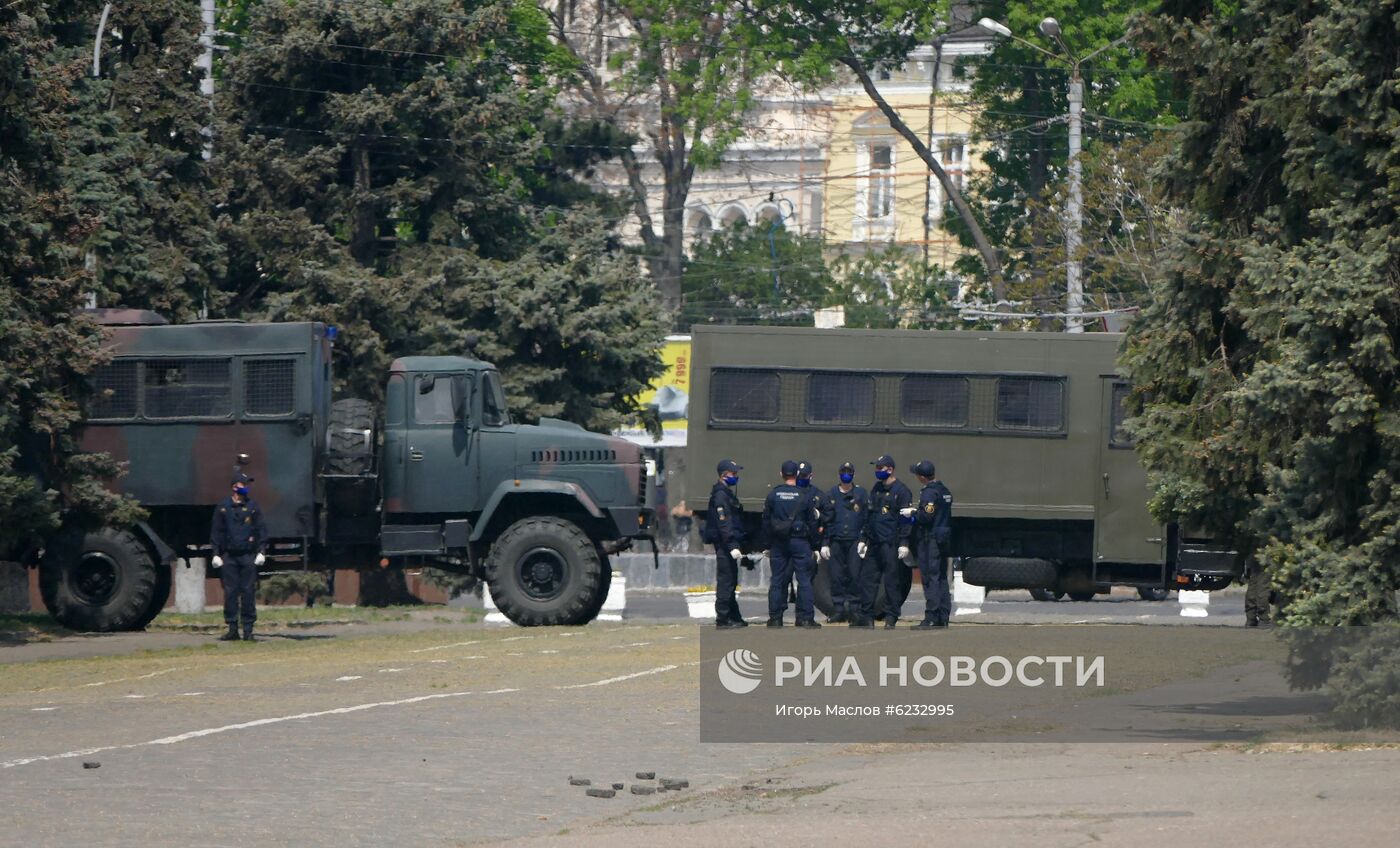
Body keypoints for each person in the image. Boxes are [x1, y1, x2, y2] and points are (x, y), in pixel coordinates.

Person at [763, 460, 822, 628]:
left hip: (779, 542)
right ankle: (806, 618)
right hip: (800, 542)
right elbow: (812, 524)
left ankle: (775, 618)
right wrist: (815, 546)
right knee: (804, 580)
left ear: (781, 474)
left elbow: (766, 522)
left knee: (777, 580)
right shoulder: (804, 496)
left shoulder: (773, 495)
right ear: (796, 474)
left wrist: (767, 544)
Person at [210, 472, 268, 642]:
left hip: (247, 556)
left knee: (248, 592)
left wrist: (261, 551)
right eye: (244, 485)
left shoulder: (253, 507)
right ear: (235, 487)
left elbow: (261, 530)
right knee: (230, 593)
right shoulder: (223, 507)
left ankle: (248, 630)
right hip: (230, 556)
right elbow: (216, 532)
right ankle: (232, 628)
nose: (246, 488)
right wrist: (215, 554)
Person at [862, 454, 913, 629]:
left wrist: (904, 542)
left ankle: (891, 616)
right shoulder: (876, 488)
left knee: (892, 581)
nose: (877, 471)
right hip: (875, 542)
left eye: (880, 468)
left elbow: (906, 519)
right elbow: (870, 515)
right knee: (869, 580)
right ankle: (867, 615)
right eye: (876, 468)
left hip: (891, 542)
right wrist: (863, 539)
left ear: (890, 469)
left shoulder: (901, 491)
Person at [903, 459, 954, 629]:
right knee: (941, 578)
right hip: (942, 538)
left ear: (922, 477)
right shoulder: (944, 490)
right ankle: (943, 615)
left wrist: (913, 513)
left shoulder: (929, 493)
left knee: (929, 578)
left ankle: (931, 616)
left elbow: (926, 517)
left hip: (930, 540)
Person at [704, 460, 749, 628]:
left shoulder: (727, 494)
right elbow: (724, 524)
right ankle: (723, 618)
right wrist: (732, 546)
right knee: (726, 581)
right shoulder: (721, 496)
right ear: (724, 475)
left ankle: (734, 615)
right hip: (724, 545)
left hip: (728, 543)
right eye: (733, 474)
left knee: (731, 579)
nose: (736, 477)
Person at [824, 461, 869, 624]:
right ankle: (838, 609)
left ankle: (855, 610)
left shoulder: (861, 494)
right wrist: (825, 543)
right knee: (836, 576)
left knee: (854, 575)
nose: (846, 474)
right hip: (836, 541)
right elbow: (827, 520)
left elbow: (866, 518)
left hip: (854, 541)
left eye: (849, 471)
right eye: (843, 471)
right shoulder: (831, 494)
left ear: (853, 474)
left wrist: (864, 540)